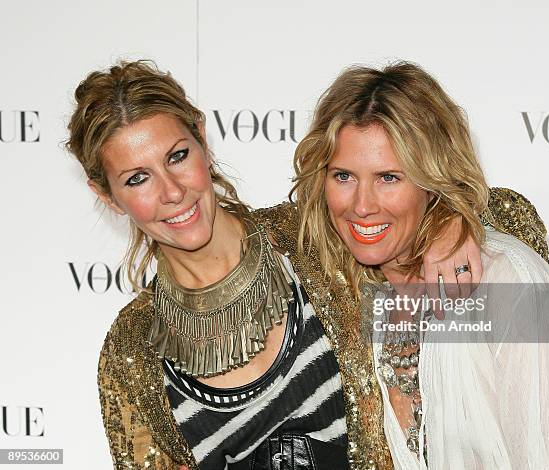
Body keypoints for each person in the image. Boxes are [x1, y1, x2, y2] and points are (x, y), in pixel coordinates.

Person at [66, 61, 514, 469]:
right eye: (137, 179)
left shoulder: (308, 238)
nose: (171, 192)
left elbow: (517, 220)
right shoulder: (132, 353)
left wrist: (451, 221)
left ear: (202, 137)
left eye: (177, 156)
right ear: (106, 194)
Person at [283, 61, 549, 468]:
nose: (362, 206)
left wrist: (458, 216)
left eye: (389, 177)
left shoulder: (510, 285)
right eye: (343, 176)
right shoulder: (341, 291)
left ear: (431, 179)